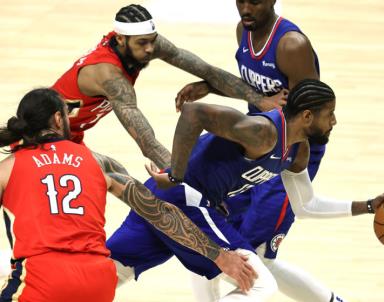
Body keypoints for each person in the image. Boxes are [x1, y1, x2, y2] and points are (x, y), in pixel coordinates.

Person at [108, 79, 384, 301]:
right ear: (307, 116)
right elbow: (193, 114)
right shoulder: (263, 132)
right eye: (328, 113)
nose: (334, 120)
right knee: (258, 283)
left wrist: (370, 205)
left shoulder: (298, 151)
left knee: (110, 270)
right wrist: (176, 173)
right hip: (186, 199)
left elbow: (305, 205)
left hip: (163, 199)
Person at [0, 88, 256, 301]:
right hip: (97, 283)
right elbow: (161, 213)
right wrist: (219, 255)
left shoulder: (8, 168)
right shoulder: (99, 163)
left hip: (43, 279)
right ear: (58, 119)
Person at [175, 0, 338, 300]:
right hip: (254, 149)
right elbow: (259, 92)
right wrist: (211, 85)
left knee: (258, 258)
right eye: (241, 1)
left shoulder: (291, 45)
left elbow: (309, 112)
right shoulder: (244, 31)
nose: (246, 8)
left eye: (256, 1)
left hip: (290, 151)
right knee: (205, 243)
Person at [52, 3, 285, 171]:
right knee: (112, 175)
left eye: (152, 40)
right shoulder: (109, 75)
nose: (151, 50)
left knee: (112, 174)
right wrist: (185, 181)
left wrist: (260, 100)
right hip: (43, 137)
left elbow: (207, 71)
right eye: (143, 43)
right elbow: (147, 142)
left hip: (72, 134)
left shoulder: (144, 42)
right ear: (120, 39)